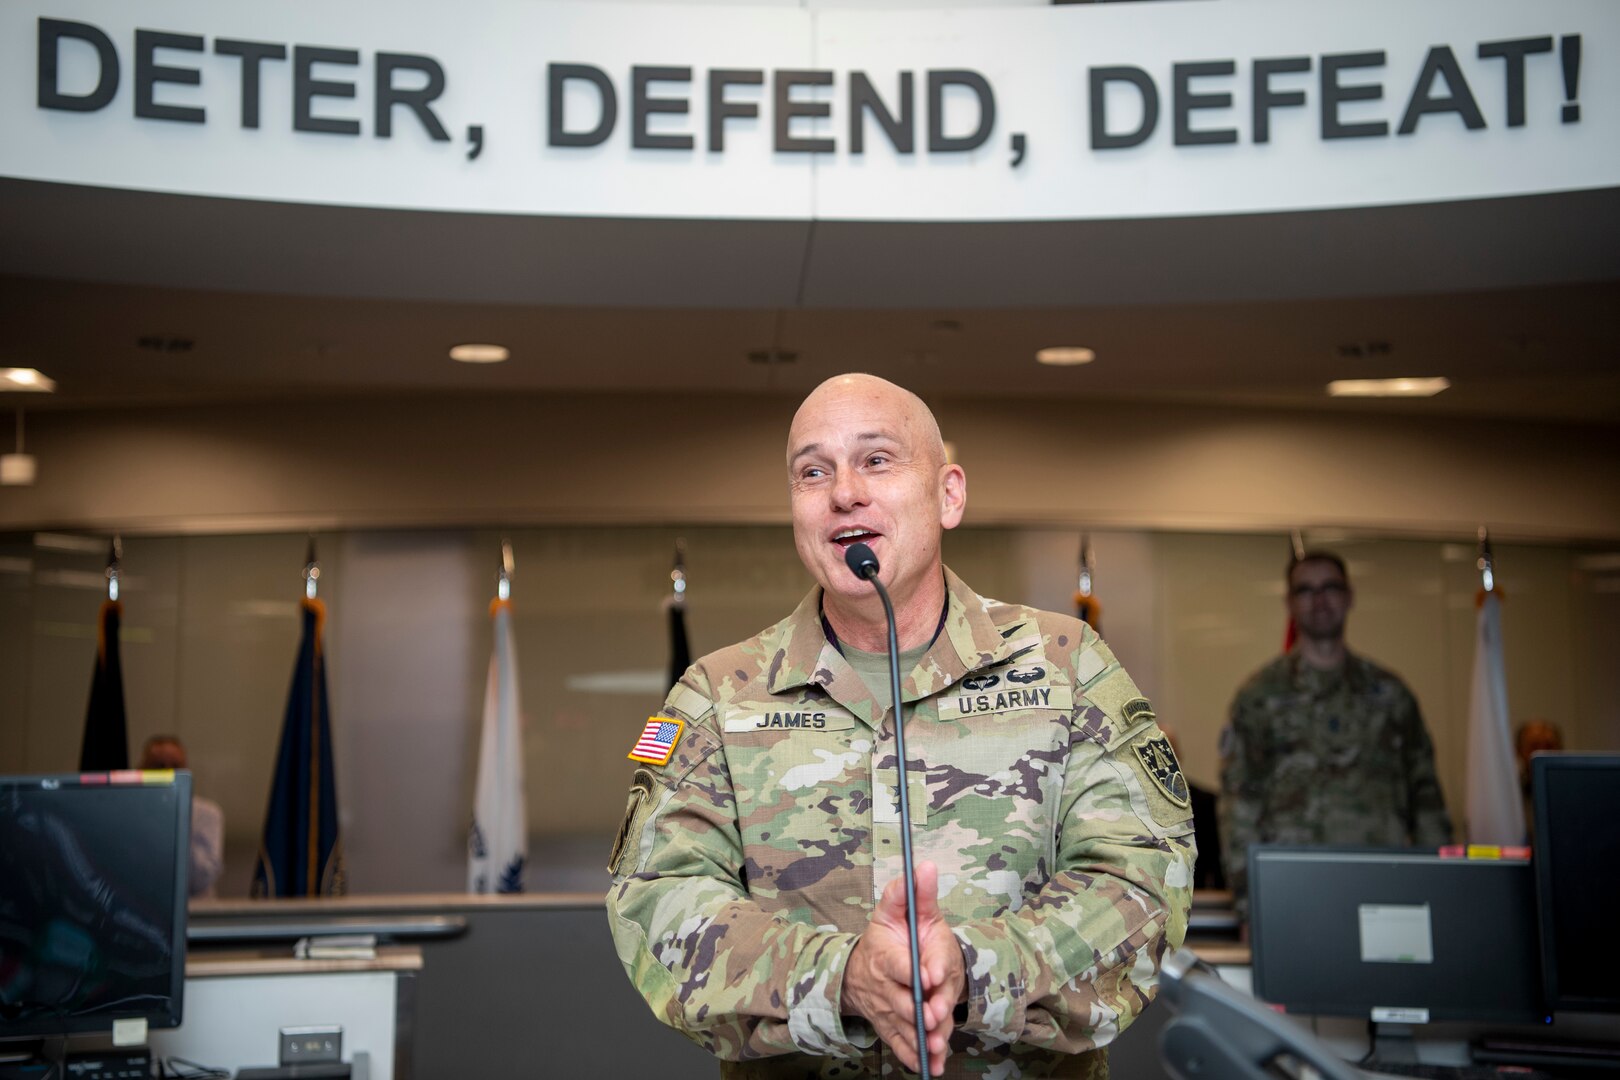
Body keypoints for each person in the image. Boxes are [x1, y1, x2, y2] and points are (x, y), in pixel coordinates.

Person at [606, 374, 1195, 1079]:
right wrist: (843, 977)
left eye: (877, 460)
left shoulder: (1068, 667)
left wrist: (972, 970)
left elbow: (1143, 882)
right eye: (812, 471)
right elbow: (657, 899)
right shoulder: (714, 695)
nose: (843, 491)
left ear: (949, 495)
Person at [1218, 551, 1452, 915]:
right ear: (1290, 603)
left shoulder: (1390, 694)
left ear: (1349, 596)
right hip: (1293, 892)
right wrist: (1249, 901)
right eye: (1306, 590)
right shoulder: (1260, 696)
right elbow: (1240, 805)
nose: (1320, 599)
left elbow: (1427, 799)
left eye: (1330, 587)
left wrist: (1436, 887)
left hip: (1384, 883)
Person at [139, 734, 225, 898]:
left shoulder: (208, 814)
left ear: (187, 771)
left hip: (196, 913)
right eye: (158, 766)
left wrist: (179, 822)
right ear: (141, 769)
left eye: (175, 766)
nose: (168, 773)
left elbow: (201, 879)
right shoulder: (131, 812)